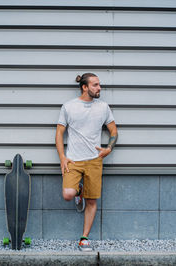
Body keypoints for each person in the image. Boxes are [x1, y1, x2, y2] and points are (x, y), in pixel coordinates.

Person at [55, 73, 118, 251]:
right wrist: (62, 158)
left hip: (94, 160)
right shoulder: (69, 107)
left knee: (91, 201)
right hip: (73, 160)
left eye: (99, 85)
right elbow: (59, 133)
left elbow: (113, 131)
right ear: (85, 87)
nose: (99, 88)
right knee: (68, 194)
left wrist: (109, 148)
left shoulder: (103, 107)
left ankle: (84, 238)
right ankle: (78, 191)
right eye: (95, 85)